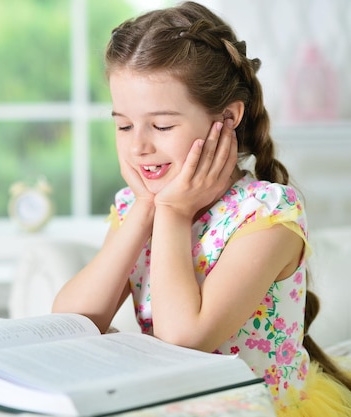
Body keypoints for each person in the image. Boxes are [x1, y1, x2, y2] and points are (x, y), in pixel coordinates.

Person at [51, 2, 351, 416]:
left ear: (226, 118)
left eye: (162, 125)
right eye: (123, 125)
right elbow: (71, 320)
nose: (138, 145)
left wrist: (172, 214)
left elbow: (184, 338)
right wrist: (143, 209)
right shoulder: (136, 207)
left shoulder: (266, 215)